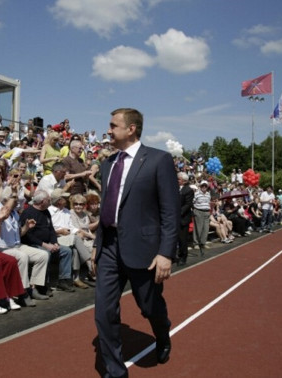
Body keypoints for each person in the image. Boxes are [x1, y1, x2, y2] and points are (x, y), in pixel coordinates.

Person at [93, 108, 179, 377]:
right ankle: (115, 372)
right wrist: (97, 246)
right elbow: (105, 207)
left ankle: (162, 334)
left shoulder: (158, 160)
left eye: (113, 125)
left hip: (144, 250)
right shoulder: (108, 164)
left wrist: (166, 252)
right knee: (103, 312)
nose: (108, 130)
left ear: (131, 129)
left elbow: (170, 211)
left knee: (149, 306)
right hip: (108, 246)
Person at [0, 193, 49, 303]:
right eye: (15, 200)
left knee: (43, 255)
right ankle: (22, 292)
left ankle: (33, 288)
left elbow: (19, 234)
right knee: (22, 257)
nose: (18, 203)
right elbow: (0, 215)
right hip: (2, 247)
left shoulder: (15, 213)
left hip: (17, 245)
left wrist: (26, 227)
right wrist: (12, 192)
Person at [19, 190, 75, 294]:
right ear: (42, 201)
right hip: (35, 244)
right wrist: (45, 245)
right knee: (46, 254)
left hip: (48, 243)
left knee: (66, 251)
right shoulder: (28, 213)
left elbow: (51, 229)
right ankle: (44, 283)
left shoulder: (46, 211)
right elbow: (28, 236)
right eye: (48, 200)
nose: (50, 201)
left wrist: (54, 243)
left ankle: (63, 280)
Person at [177, 172, 194, 266]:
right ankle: (177, 255)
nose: (177, 180)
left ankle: (183, 257)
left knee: (182, 239)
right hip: (175, 218)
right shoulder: (176, 188)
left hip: (183, 218)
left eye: (178, 179)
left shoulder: (188, 190)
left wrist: (179, 212)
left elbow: (188, 204)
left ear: (183, 181)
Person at [192, 180, 211, 256]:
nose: (204, 187)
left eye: (205, 186)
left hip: (207, 211)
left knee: (206, 228)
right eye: (202, 186)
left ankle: (203, 242)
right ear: (200, 186)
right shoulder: (196, 194)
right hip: (199, 211)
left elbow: (208, 202)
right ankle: (196, 243)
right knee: (198, 228)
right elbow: (192, 202)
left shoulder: (208, 194)